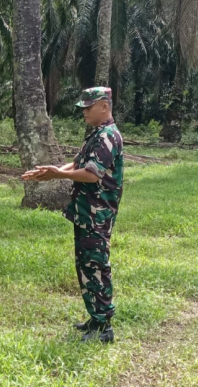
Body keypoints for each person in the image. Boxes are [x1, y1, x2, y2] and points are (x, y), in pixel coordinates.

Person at [22, 87, 124, 343]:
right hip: (85, 213)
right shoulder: (96, 135)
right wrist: (53, 170)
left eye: (88, 108)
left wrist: (58, 174)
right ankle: (95, 318)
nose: (84, 113)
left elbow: (91, 174)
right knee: (86, 266)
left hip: (97, 214)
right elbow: (79, 163)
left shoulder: (108, 137)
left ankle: (104, 328)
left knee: (97, 266)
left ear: (104, 106)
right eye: (83, 108)